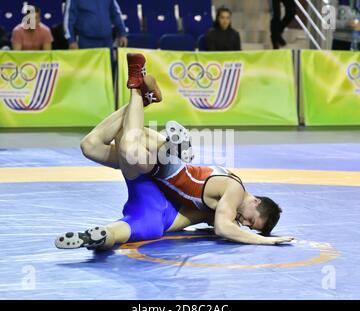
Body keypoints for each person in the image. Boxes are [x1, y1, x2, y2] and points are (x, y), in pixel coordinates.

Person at [55, 53, 294, 251]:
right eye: (251, 220)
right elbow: (223, 227)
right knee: (129, 145)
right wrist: (264, 240)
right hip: (169, 167)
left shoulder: (227, 199)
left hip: (167, 168)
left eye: (250, 227)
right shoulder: (236, 192)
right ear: (256, 200)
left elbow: (216, 221)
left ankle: (143, 99)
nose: (244, 223)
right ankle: (137, 84)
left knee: (90, 147)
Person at [63, 0, 128, 50]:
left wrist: (122, 33)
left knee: (107, 67)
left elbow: (116, 14)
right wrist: (71, 41)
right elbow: (68, 20)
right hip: (86, 42)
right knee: (88, 67)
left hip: (106, 42)